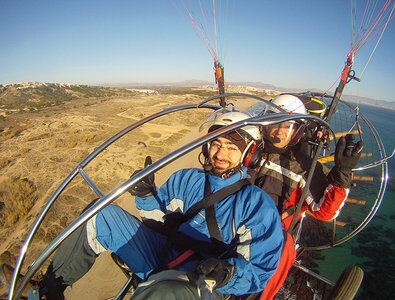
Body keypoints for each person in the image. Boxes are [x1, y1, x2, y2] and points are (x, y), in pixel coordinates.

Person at [3, 108, 283, 300]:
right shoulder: (187, 179)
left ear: (248, 154)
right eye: (216, 143)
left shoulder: (257, 206)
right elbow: (156, 222)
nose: (220, 153)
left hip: (203, 285)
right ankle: (50, 288)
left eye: (232, 147)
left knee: (163, 294)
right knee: (99, 213)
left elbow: (260, 273)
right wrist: (145, 194)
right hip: (162, 256)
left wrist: (228, 273)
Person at [248, 94, 363, 299]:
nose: (278, 131)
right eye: (274, 123)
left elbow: (325, 211)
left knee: (282, 251)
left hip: (274, 235)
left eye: (287, 126)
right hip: (237, 219)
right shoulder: (251, 149)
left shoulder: (303, 168)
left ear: (297, 131)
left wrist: (342, 173)